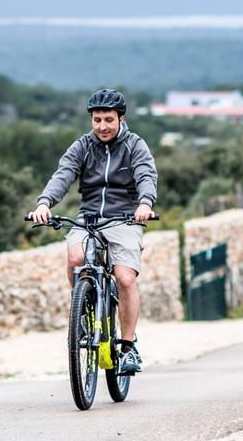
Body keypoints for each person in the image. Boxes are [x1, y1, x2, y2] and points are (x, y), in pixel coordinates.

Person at [26, 89, 157, 375]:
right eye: (97, 120)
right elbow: (63, 174)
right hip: (88, 218)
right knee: (75, 259)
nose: (102, 126)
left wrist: (145, 203)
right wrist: (44, 203)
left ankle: (127, 345)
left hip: (125, 218)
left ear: (121, 118)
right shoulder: (83, 146)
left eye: (108, 120)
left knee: (124, 278)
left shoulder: (135, 145)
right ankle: (83, 311)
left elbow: (146, 175)